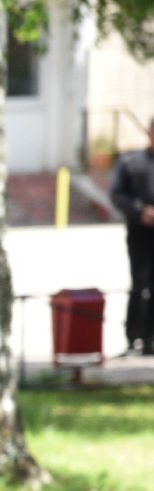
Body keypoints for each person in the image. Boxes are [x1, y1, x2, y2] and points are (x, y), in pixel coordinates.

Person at [109, 119, 154, 356]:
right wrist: (141, 211)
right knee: (140, 284)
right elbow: (117, 195)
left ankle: (151, 339)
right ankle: (132, 336)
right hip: (139, 233)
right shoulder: (131, 162)